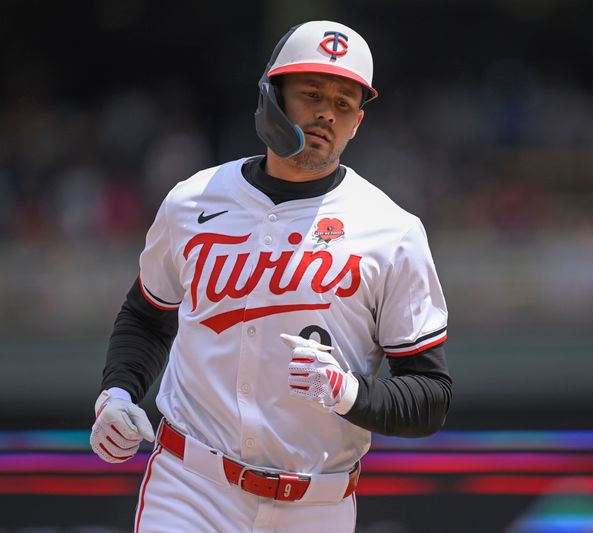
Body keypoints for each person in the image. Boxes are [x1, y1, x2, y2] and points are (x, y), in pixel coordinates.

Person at [89, 20, 452, 533]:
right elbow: (148, 316)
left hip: (317, 502)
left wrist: (351, 394)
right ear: (272, 97)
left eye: (345, 103)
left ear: (357, 125)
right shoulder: (193, 200)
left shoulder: (393, 231)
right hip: (191, 487)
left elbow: (429, 394)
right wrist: (118, 394)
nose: (327, 111)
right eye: (311, 93)